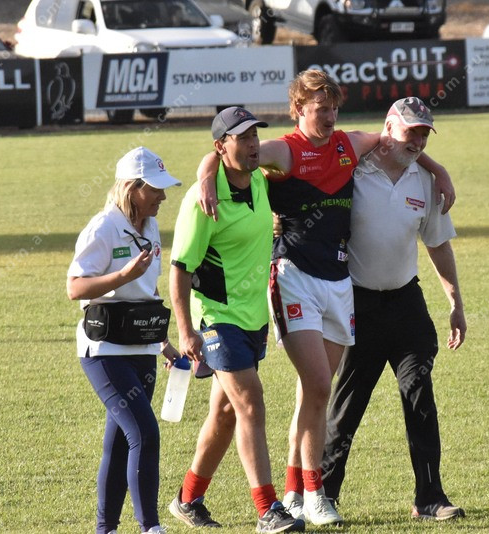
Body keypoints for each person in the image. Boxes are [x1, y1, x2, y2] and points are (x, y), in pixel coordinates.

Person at [195, 69, 456, 527]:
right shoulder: (284, 150)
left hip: (339, 283)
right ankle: (316, 492)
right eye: (321, 108)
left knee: (312, 394)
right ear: (299, 109)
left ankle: (297, 492)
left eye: (334, 108)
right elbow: (234, 153)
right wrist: (204, 174)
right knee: (319, 386)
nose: (330, 116)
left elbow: (402, 143)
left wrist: (438, 169)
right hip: (295, 275)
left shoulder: (349, 145)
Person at [321, 97, 466, 521]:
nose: (418, 142)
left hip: (406, 303)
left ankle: (430, 498)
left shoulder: (426, 180)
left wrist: (455, 302)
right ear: (388, 127)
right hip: (357, 304)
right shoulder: (352, 167)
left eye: (424, 135)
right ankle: (324, 494)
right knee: (346, 407)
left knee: (420, 395)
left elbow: (437, 244)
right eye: (410, 132)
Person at [168, 107, 304, 533]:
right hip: (216, 318)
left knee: (226, 413)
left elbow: (291, 155)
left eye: (254, 136)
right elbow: (180, 270)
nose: (252, 144)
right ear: (221, 146)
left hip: (252, 317)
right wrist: (186, 330)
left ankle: (187, 499)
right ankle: (267, 510)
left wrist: (210, 165)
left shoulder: (260, 180)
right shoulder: (202, 201)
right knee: (250, 404)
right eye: (241, 138)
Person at [67, 146, 182, 534]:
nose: (163, 196)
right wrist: (122, 276)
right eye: (155, 189)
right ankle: (151, 527)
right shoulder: (103, 227)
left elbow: (147, 293)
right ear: (133, 188)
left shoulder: (150, 226)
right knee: (145, 434)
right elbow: (75, 287)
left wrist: (163, 344)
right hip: (104, 350)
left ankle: (106, 529)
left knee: (119, 442)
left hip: (142, 348)